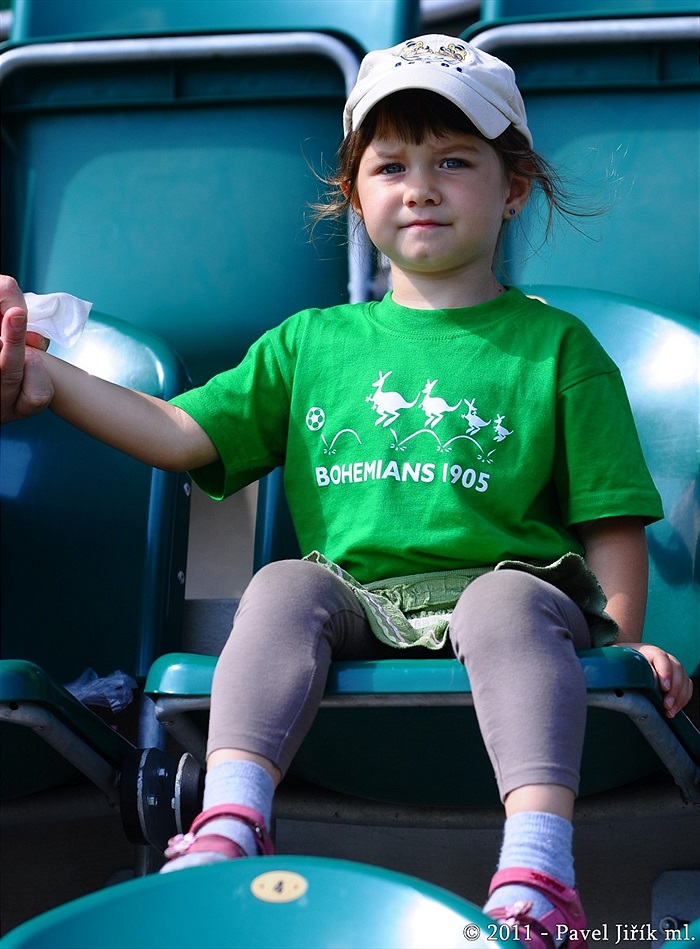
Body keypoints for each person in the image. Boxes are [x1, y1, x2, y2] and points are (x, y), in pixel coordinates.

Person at [0, 34, 692, 944]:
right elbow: (181, 434)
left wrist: (626, 644)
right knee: (285, 582)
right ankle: (232, 822)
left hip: (514, 600)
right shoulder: (311, 341)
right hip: (360, 599)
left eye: (454, 160)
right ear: (354, 192)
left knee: (500, 600)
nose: (421, 186)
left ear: (513, 185)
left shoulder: (559, 348)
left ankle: (538, 870)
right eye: (390, 164)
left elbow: (610, 520)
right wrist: (54, 384)